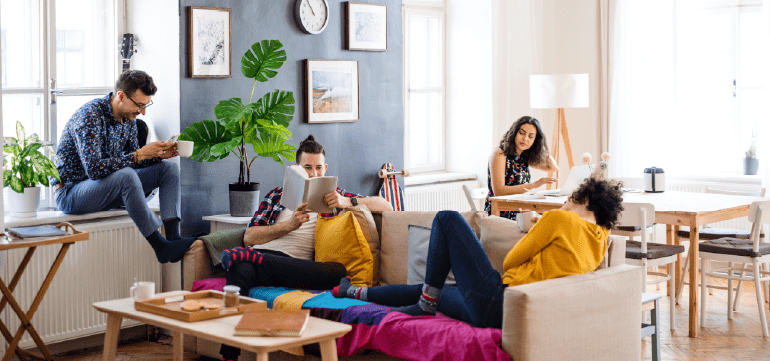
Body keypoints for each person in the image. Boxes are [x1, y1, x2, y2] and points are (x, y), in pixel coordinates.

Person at [333, 177, 624, 329]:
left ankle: (423, 304)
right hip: (506, 316)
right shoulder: (601, 241)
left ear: (583, 200)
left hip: (499, 299)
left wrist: (547, 220)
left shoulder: (560, 219)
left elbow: (511, 261)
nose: (565, 204)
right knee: (430, 292)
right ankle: (354, 293)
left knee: (447, 219)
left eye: (570, 200)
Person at [218, 135, 393, 361]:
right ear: (296, 169)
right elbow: (250, 236)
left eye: (319, 168)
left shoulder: (335, 197)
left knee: (338, 272)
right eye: (307, 168)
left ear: (325, 168)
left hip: (300, 269)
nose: (314, 174)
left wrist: (347, 202)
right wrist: (288, 226)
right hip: (265, 256)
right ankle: (229, 356)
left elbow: (386, 204)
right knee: (240, 272)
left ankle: (248, 259)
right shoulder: (277, 195)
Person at [53, 70, 195, 264]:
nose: (143, 112)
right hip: (72, 192)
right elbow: (94, 169)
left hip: (106, 189)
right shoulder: (89, 116)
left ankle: (172, 238)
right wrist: (140, 154)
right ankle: (160, 246)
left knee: (167, 169)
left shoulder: (128, 119)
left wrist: (156, 156)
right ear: (121, 96)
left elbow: (132, 161)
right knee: (126, 175)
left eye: (146, 106)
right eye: (139, 105)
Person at [486, 116, 559, 220]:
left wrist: (540, 146)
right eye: (522, 133)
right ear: (514, 133)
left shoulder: (524, 157)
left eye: (531, 136)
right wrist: (534, 184)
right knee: (548, 222)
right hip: (501, 212)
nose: (525, 139)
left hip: (521, 209)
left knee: (555, 217)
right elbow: (499, 191)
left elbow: (553, 167)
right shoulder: (499, 153)